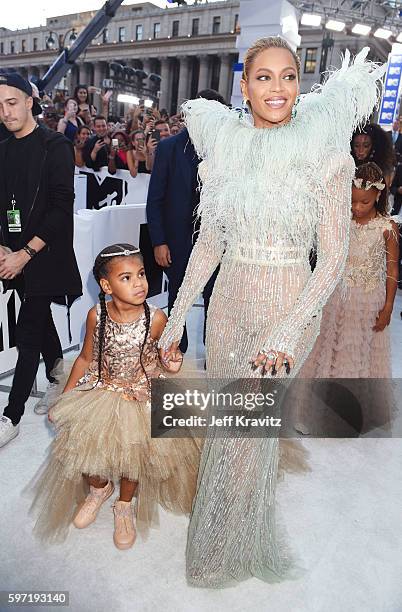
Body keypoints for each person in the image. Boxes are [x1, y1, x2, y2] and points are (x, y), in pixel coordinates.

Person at [158, 38, 385, 587]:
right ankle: (232, 533)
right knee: (233, 428)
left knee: (247, 428)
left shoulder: (326, 156)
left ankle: (226, 546)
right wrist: (177, 315)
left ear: (299, 85)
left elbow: (331, 259)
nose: (277, 88)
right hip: (231, 300)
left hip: (290, 303)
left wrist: (289, 329)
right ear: (245, 84)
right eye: (264, 77)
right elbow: (210, 244)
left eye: (288, 77)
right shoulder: (225, 150)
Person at [28, 243, 200, 548]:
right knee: (82, 447)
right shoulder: (97, 316)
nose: (139, 283)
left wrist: (172, 364)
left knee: (132, 457)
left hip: (140, 396)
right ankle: (100, 488)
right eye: (127, 277)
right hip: (102, 389)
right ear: (106, 285)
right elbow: (84, 359)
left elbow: (165, 359)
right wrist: (63, 400)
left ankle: (125, 504)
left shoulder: (156, 318)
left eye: (142, 274)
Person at [0, 73, 82, 447]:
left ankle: (10, 415)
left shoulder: (56, 146)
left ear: (30, 101)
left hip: (43, 254)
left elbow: (61, 208)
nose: (5, 112)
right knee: (39, 316)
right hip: (12, 250)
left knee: (28, 326)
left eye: (12, 102)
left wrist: (25, 253)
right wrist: (2, 247)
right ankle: (58, 374)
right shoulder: (2, 145)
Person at [295, 163, 399, 434]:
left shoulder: (387, 227)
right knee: (324, 351)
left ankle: (347, 416)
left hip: (367, 300)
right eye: (352, 201)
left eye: (364, 202)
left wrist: (388, 306)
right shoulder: (341, 221)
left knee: (355, 356)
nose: (357, 207)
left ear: (378, 195)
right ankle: (311, 412)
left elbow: (392, 269)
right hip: (335, 296)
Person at [147, 90, 225, 354]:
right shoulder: (169, 148)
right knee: (179, 298)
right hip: (178, 241)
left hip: (216, 241)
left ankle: (213, 353)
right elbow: (155, 198)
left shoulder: (226, 150)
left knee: (214, 300)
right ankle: (176, 353)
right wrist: (159, 242)